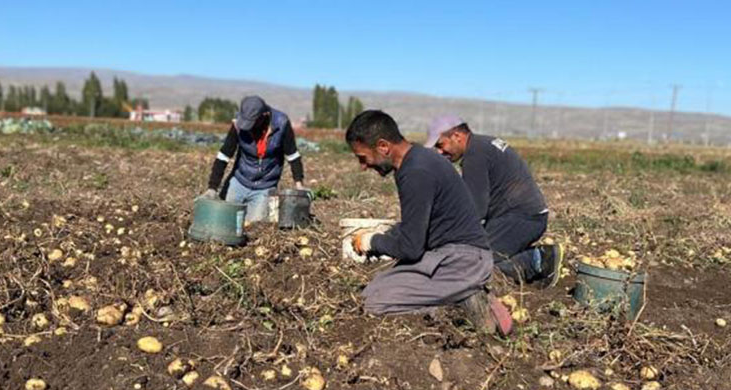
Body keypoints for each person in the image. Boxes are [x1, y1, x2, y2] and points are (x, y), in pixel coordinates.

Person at [344, 110, 512, 335]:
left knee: (372, 301)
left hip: (462, 261)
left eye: (363, 157)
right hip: (452, 255)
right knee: (381, 283)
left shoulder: (416, 172)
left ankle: (462, 306)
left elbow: (410, 248)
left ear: (383, 146)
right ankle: (458, 294)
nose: (363, 166)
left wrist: (372, 241)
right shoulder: (417, 159)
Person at [426, 116, 560, 286]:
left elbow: (476, 209)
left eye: (440, 144)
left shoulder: (475, 156)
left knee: (471, 266)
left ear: (457, 136)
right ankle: (524, 255)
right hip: (523, 216)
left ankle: (536, 260)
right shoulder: (482, 145)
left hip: (521, 219)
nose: (439, 152)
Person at [202, 95, 305, 223]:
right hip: (239, 182)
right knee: (226, 222)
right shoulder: (238, 124)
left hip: (265, 187)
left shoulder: (282, 123)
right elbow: (224, 155)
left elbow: (293, 155)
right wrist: (212, 188)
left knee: (255, 226)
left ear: (264, 116)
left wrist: (299, 185)